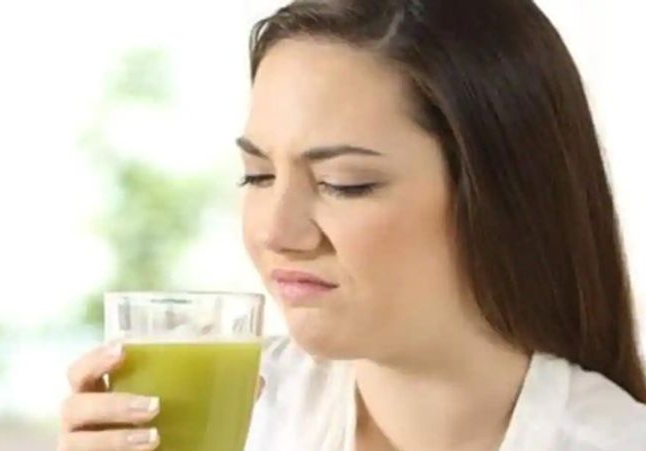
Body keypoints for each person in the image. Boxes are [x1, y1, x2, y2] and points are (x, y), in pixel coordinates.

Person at [56, 0, 646, 450]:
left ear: (500, 195)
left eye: (343, 183)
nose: (276, 232)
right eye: (258, 176)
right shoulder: (245, 420)